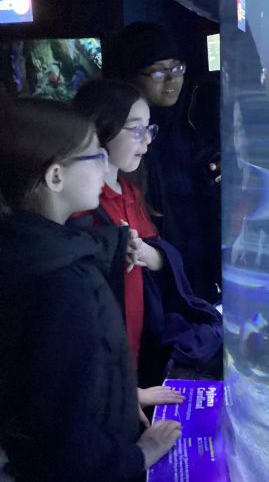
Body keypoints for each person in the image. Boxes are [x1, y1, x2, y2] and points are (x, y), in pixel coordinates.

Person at [0, 98, 180, 481]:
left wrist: (124, 393)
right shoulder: (60, 285)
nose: (105, 164)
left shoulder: (28, 252)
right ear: (55, 177)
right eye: (95, 155)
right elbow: (62, 434)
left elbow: (53, 380)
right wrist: (140, 455)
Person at [72, 79, 223, 387]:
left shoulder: (130, 191)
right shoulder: (79, 203)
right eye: (136, 129)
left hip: (139, 336)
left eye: (149, 129)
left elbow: (156, 251)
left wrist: (144, 253)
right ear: (99, 127)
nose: (147, 140)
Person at [108, 21, 221, 303]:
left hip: (200, 267)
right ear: (129, 75)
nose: (172, 79)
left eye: (177, 68)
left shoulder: (195, 120)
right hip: (153, 278)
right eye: (158, 72)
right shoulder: (118, 141)